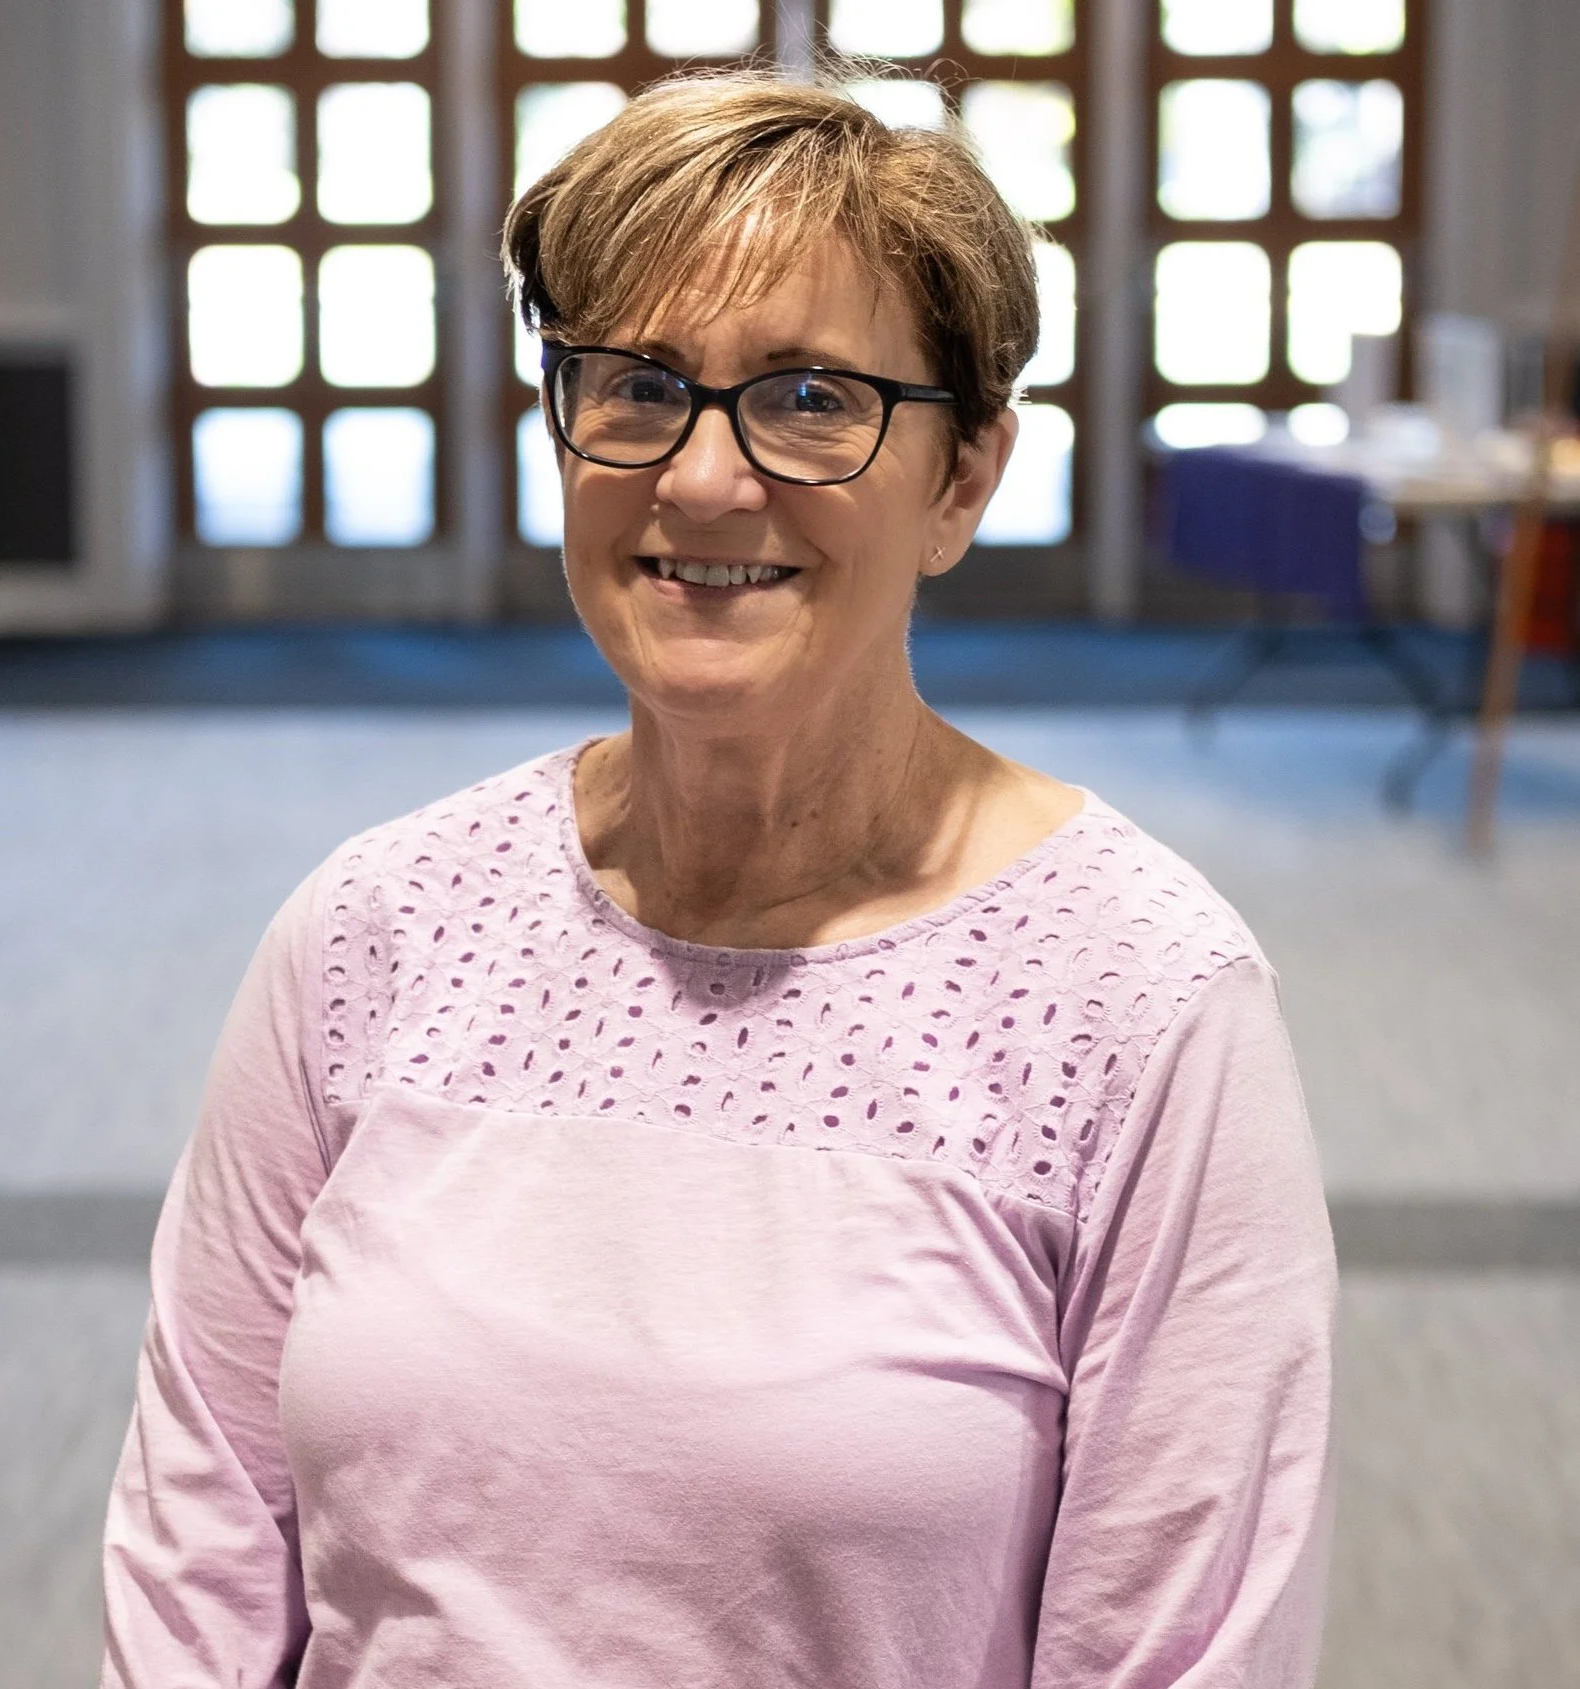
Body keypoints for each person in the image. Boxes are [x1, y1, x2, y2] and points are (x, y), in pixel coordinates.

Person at [100, 71, 1336, 1689]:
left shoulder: (1140, 1000)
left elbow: (1182, 1650)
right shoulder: (376, 930)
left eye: (811, 397)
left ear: (965, 477)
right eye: (637, 385)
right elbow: (197, 1550)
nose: (699, 478)